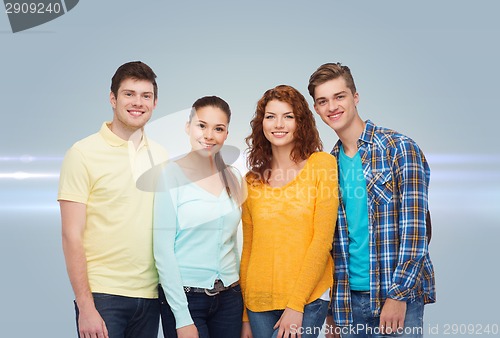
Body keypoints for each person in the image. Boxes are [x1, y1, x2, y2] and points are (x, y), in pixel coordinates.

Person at [308, 63, 436, 338]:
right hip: (347, 303)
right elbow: (330, 242)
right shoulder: (326, 165)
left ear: (355, 97)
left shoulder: (399, 148)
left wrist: (398, 295)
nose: (332, 107)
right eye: (323, 101)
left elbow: (415, 230)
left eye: (339, 96)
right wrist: (331, 311)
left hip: (396, 297)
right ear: (317, 110)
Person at [58, 61, 168, 338]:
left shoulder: (161, 156)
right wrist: (86, 306)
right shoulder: (82, 153)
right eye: (129, 94)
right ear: (112, 98)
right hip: (103, 296)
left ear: (155, 103)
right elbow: (71, 235)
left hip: (151, 295)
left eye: (146, 96)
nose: (138, 103)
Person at [240, 85, 339, 338]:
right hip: (257, 304)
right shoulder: (251, 181)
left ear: (301, 122)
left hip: (307, 299)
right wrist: (244, 316)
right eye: (270, 116)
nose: (278, 124)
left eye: (288, 116)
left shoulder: (322, 165)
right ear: (261, 123)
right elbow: (249, 248)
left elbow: (322, 240)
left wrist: (296, 304)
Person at [154, 96, 245, 338]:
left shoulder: (234, 176)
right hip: (186, 299)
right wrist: (182, 317)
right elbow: (163, 250)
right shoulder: (169, 176)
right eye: (201, 125)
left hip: (230, 298)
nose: (209, 135)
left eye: (218, 129)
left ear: (226, 134)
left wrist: (244, 309)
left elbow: (237, 243)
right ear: (188, 127)